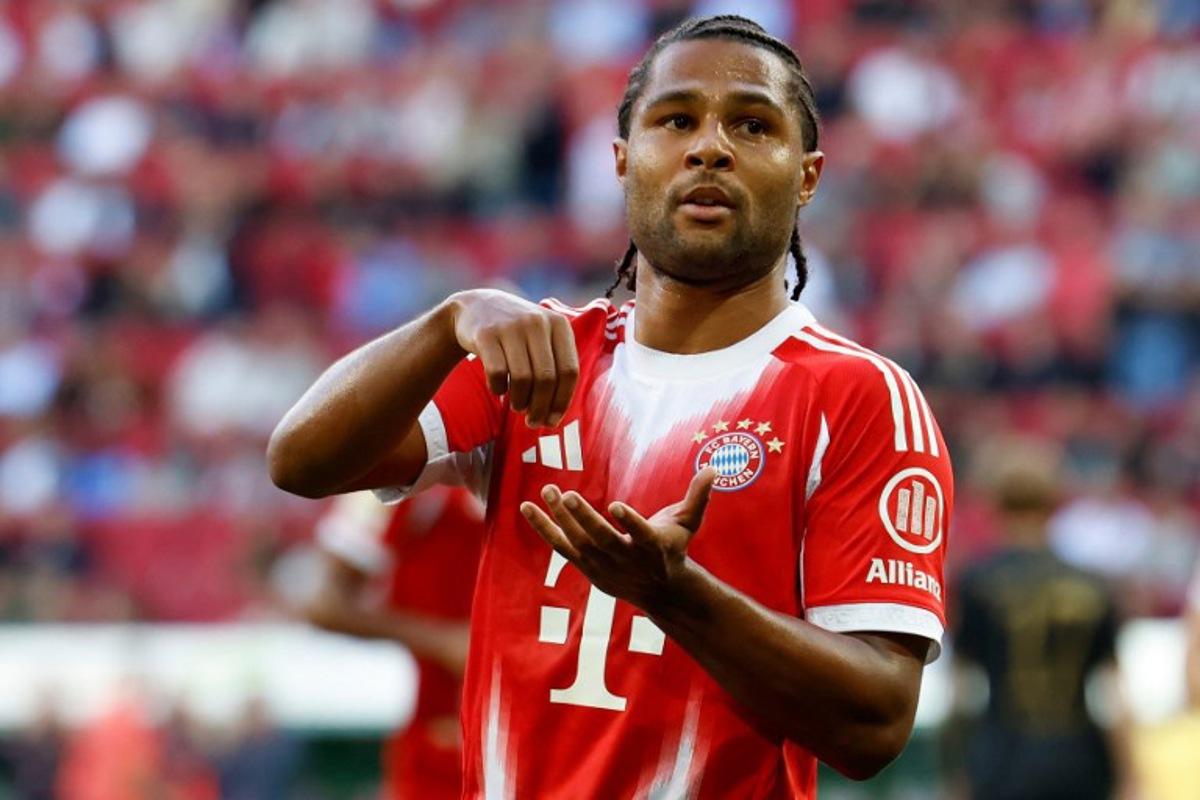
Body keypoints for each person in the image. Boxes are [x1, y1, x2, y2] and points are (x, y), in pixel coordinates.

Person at [269, 15, 952, 798]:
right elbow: (300, 462)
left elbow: (877, 724)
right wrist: (445, 322)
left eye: (753, 125)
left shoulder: (860, 397)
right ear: (624, 160)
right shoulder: (538, 358)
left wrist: (674, 592)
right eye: (676, 119)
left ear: (807, 175)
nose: (710, 147)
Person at [950, 437, 1135, 800]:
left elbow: (961, 694)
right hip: (1080, 760)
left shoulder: (976, 583)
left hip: (1000, 758)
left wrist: (956, 770)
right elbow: (1116, 697)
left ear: (995, 503)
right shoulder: (1093, 585)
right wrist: (1131, 776)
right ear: (1055, 502)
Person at [304, 487, 484, 798]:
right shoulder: (397, 475)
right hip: (443, 747)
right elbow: (326, 604)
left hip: (544, 732)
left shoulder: (558, 463)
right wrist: (444, 642)